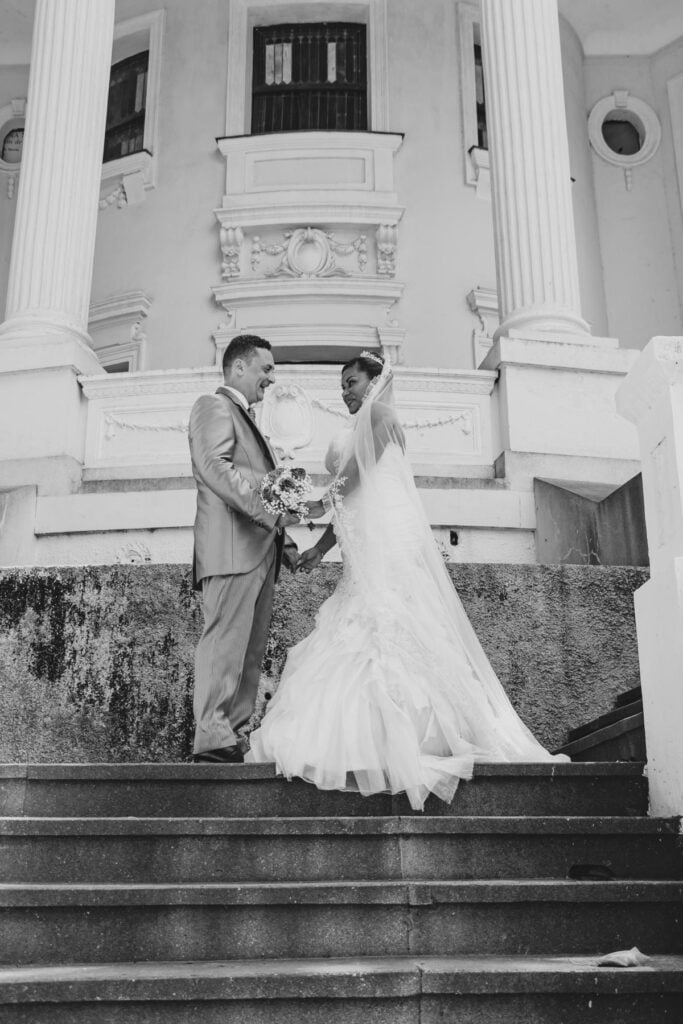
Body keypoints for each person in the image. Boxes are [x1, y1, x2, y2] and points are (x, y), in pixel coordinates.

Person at [247, 351, 567, 808]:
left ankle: (407, 738)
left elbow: (357, 478)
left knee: (389, 620)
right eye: (342, 384)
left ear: (375, 381)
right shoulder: (357, 425)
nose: (345, 390)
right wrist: (320, 548)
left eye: (352, 381)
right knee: (359, 618)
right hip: (362, 539)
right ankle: (367, 742)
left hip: (386, 538)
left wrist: (317, 505)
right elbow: (354, 498)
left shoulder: (380, 414)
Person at [188, 334, 322, 764]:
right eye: (266, 369)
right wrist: (269, 514)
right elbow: (215, 468)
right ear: (238, 367)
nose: (271, 378)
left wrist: (284, 539)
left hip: (261, 550)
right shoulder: (213, 407)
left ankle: (234, 732)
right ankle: (211, 733)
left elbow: (262, 487)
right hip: (229, 548)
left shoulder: (248, 418)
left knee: (249, 647)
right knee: (224, 640)